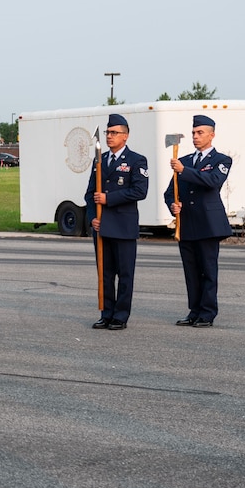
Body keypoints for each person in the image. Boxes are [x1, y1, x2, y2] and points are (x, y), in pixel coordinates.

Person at [164, 114, 233, 327]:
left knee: (208, 270)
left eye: (200, 132)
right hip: (187, 224)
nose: (195, 136)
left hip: (208, 224)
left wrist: (185, 171)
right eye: (193, 132)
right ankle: (194, 311)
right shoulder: (183, 160)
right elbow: (169, 192)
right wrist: (173, 205)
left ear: (211, 135)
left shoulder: (221, 160)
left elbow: (213, 181)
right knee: (191, 271)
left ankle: (207, 313)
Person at [83, 113, 148, 331]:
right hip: (101, 227)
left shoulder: (136, 160)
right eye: (108, 132)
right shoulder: (99, 160)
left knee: (125, 274)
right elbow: (90, 194)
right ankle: (106, 313)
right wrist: (92, 218)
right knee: (105, 273)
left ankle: (120, 315)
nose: (110, 136)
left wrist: (108, 199)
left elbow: (140, 191)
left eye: (114, 133)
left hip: (123, 226)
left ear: (125, 136)